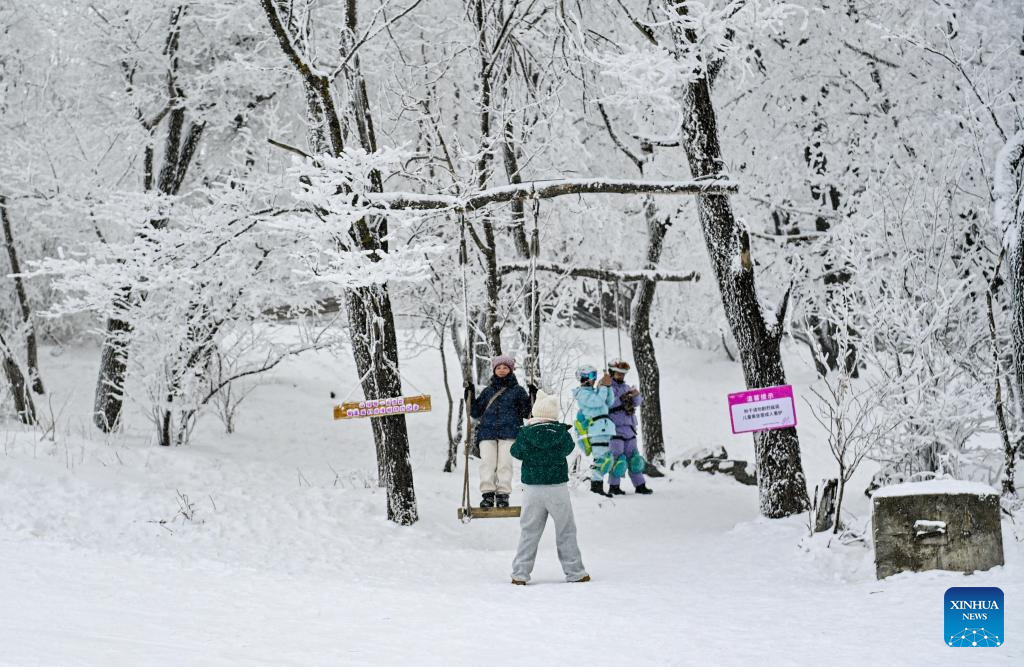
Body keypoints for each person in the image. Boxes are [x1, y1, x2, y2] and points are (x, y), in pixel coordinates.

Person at [510, 390, 589, 585]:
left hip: (532, 489)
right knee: (565, 529)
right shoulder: (561, 433)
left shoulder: (526, 433)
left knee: (529, 531)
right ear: (553, 415)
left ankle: (520, 574)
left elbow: (515, 452)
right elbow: (568, 448)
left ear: (535, 414)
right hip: (556, 487)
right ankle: (575, 572)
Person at [468, 355, 531, 509]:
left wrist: (532, 397)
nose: (502, 370)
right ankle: (488, 494)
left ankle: (503, 495)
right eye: (498, 367)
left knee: (505, 464)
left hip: (509, 433)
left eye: (505, 367)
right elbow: (475, 412)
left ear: (510, 369)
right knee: (487, 464)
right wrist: (469, 395)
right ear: (494, 370)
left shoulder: (518, 391)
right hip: (487, 433)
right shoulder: (488, 391)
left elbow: (527, 412)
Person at [606, 359, 653, 495]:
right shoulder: (609, 388)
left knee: (635, 459)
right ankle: (614, 486)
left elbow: (636, 403)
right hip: (616, 431)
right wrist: (622, 398)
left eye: (623, 374)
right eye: (618, 374)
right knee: (617, 460)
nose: (621, 376)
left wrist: (636, 395)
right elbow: (608, 403)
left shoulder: (626, 387)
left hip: (630, 430)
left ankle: (640, 485)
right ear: (612, 373)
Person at [572, 364, 617, 497]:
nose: (594, 379)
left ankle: (597, 485)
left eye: (595, 376)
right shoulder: (582, 393)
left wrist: (608, 386)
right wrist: (602, 387)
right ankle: (596, 488)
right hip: (596, 429)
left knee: (607, 459)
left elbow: (609, 401)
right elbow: (597, 402)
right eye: (592, 376)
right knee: (601, 460)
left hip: (605, 428)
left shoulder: (595, 392)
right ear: (583, 377)